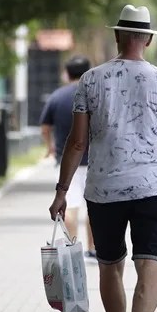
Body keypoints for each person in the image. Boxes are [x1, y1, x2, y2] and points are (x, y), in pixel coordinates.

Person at [49, 4, 157, 312]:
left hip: (104, 190)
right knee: (150, 262)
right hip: (151, 188)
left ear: (117, 36)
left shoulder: (90, 80)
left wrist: (62, 191)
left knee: (110, 266)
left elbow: (77, 142)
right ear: (148, 40)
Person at [39, 55, 96, 257]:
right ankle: (93, 249)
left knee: (69, 205)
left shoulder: (57, 97)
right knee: (94, 207)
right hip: (95, 161)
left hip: (66, 161)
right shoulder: (95, 94)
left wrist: (50, 146)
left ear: (67, 73)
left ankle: (73, 250)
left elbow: (45, 127)